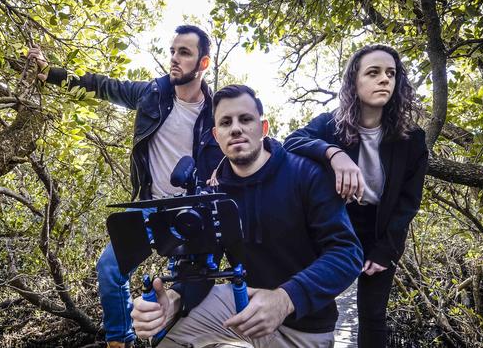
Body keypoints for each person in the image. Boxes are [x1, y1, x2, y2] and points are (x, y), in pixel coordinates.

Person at [28, 25, 224, 348]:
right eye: (172, 51)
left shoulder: (217, 115)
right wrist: (51, 73)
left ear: (203, 63)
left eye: (184, 53)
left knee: (179, 297)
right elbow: (102, 87)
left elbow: (246, 149)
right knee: (109, 268)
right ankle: (121, 342)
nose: (174, 58)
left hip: (191, 215)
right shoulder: (152, 95)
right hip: (150, 206)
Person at [130, 85, 363, 347]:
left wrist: (286, 298)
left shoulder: (306, 174)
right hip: (244, 303)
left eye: (245, 119)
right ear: (217, 136)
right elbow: (203, 266)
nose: (236, 129)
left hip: (304, 324)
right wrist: (174, 300)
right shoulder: (213, 193)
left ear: (263, 128)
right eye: (226, 123)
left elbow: (346, 252)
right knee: (167, 336)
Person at [283, 44, 428, 347]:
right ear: (355, 81)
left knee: (373, 314)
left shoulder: (412, 140)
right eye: (373, 73)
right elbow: (292, 142)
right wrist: (333, 153)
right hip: (337, 226)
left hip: (381, 229)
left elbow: (408, 202)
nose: (384, 80)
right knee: (316, 304)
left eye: (391, 74)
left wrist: (386, 250)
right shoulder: (330, 125)